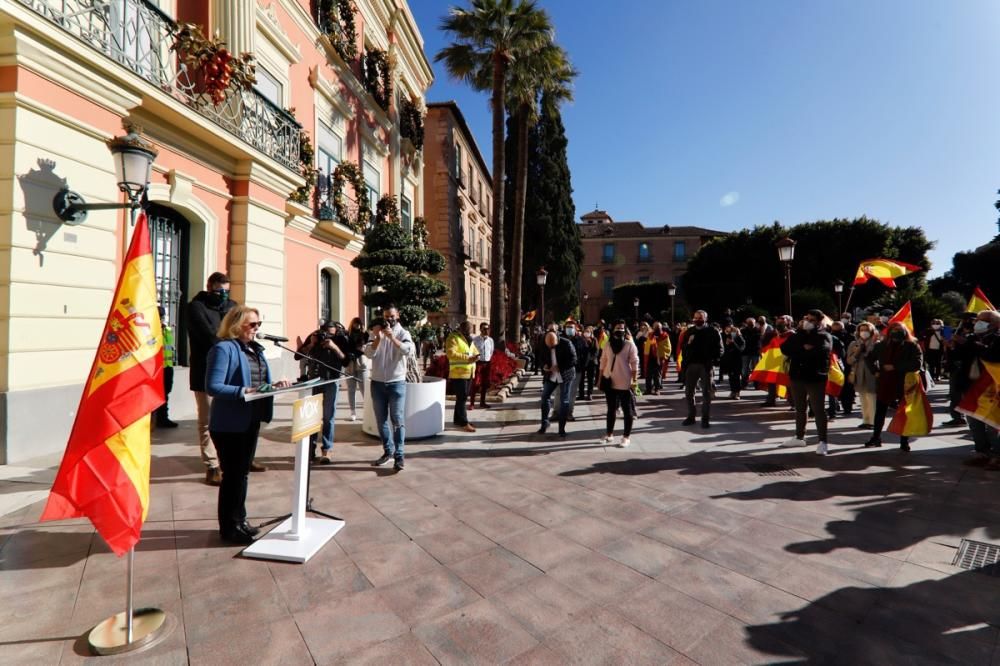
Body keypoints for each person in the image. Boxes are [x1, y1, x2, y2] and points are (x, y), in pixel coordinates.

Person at [205, 305, 290, 544]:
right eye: (252, 324)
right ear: (235, 325)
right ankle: (229, 529)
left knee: (241, 475)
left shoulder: (255, 350)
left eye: (259, 324)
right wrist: (246, 390)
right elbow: (214, 386)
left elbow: (258, 383)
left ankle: (240, 520)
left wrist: (273, 387)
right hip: (229, 424)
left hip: (250, 419)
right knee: (232, 476)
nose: (257, 329)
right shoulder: (223, 349)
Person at [188, 272, 237, 485]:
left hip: (232, 371)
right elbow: (208, 336)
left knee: (233, 418)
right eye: (220, 291)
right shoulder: (196, 307)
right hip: (204, 370)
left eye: (227, 291)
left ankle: (235, 460)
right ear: (210, 287)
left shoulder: (232, 306)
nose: (223, 295)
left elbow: (241, 330)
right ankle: (212, 466)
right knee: (206, 421)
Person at [365, 306, 414, 472]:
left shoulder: (403, 333)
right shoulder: (376, 333)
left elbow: (408, 350)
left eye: (392, 316)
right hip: (377, 384)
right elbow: (368, 354)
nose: (389, 319)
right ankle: (388, 451)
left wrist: (392, 338)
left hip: (396, 383)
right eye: (386, 316)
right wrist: (378, 338)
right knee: (381, 421)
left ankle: (399, 455)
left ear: (397, 316)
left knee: (397, 420)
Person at [780, 309, 833, 455]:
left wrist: (799, 351)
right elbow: (784, 348)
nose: (808, 322)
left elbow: (820, 352)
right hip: (797, 376)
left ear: (819, 321)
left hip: (815, 378)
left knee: (818, 410)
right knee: (800, 408)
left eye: (812, 320)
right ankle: (799, 437)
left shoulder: (824, 336)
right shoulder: (798, 335)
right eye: (807, 319)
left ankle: (823, 442)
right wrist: (803, 347)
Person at [864, 321, 923, 451]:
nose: (896, 332)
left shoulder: (912, 346)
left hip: (904, 383)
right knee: (880, 412)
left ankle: (904, 441)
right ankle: (876, 437)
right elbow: (868, 358)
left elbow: (917, 364)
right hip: (885, 382)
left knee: (904, 412)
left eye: (899, 329)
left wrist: (895, 367)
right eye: (893, 329)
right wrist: (876, 371)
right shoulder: (882, 345)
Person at [296, 321, 348, 464]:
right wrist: (311, 344)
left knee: (328, 417)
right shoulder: (315, 336)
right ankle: (309, 451)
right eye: (327, 333)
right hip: (315, 381)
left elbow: (346, 361)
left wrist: (334, 347)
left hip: (332, 381)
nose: (328, 336)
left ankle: (327, 450)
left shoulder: (340, 339)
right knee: (312, 417)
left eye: (332, 334)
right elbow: (297, 356)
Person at [961, 310, 1000, 468]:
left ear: (995, 324)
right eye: (977, 320)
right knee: (973, 420)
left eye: (982, 320)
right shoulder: (970, 338)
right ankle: (981, 452)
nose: (977, 323)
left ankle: (997, 456)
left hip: (991, 388)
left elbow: (992, 357)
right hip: (971, 386)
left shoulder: (997, 339)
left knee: (992, 423)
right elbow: (960, 357)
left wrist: (981, 347)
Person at [600, 320, 639, 447]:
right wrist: (600, 378)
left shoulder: (629, 345)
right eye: (618, 327)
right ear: (613, 329)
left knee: (627, 411)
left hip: (625, 381)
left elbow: (634, 363)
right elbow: (603, 361)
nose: (620, 330)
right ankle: (609, 434)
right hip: (609, 381)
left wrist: (634, 381)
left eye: (622, 328)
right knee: (611, 409)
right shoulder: (608, 344)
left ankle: (626, 437)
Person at [682, 310, 723, 427]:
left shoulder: (713, 331)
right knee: (689, 392)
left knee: (706, 393)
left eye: (700, 318)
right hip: (691, 365)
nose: (697, 320)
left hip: (706, 366)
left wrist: (713, 360)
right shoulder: (689, 332)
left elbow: (720, 349)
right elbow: (683, 349)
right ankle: (691, 416)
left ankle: (705, 418)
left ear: (705, 319)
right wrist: (688, 344)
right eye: (695, 318)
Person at [538, 329, 577, 437]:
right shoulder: (543, 343)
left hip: (565, 374)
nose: (551, 348)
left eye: (553, 345)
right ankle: (544, 423)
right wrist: (544, 366)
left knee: (564, 400)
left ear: (557, 339)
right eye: (548, 346)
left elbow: (573, 360)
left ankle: (561, 429)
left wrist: (560, 367)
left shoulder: (567, 343)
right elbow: (541, 358)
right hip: (551, 375)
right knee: (545, 396)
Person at [943, 313, 979, 426]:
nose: (965, 321)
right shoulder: (956, 331)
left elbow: (974, 348)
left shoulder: (977, 333)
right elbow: (952, 349)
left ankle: (974, 419)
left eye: (968, 319)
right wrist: (950, 346)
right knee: (955, 394)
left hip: (971, 368)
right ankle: (957, 417)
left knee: (970, 394)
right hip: (956, 367)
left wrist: (961, 341)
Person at [846, 322, 880, 428]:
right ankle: (866, 420)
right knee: (862, 397)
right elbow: (849, 361)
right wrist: (857, 352)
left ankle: (874, 422)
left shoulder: (876, 343)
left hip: (872, 373)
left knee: (872, 397)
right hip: (858, 373)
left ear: (871, 331)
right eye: (861, 330)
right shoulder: (853, 344)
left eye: (866, 330)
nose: (864, 332)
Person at [446, 321, 479, 432]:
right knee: (462, 398)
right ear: (461, 328)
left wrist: (476, 355)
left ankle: (457, 420)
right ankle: (464, 423)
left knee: (461, 398)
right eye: (467, 329)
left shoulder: (469, 339)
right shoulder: (453, 338)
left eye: (470, 329)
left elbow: (473, 350)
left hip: (469, 372)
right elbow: (451, 353)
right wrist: (468, 358)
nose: (469, 331)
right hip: (458, 373)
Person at [154, 305, 178, 428]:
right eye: (158, 316)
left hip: (167, 366)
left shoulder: (167, 330)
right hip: (154, 369)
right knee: (154, 394)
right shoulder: (150, 331)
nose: (161, 319)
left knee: (165, 392)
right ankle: (154, 420)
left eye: (162, 316)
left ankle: (163, 418)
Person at [344, 317, 369, 421]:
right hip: (350, 363)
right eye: (355, 323)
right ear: (352, 324)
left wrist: (362, 349)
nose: (357, 325)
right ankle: (353, 412)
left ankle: (367, 412)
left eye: (359, 323)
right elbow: (345, 347)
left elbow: (366, 348)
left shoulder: (365, 334)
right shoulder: (347, 334)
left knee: (364, 389)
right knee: (351, 389)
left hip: (361, 362)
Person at [470, 322, 493, 410]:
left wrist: (488, 361)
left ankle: (482, 402)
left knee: (484, 384)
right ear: (480, 329)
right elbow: (471, 352)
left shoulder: (490, 340)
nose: (486, 330)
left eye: (488, 329)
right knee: (475, 383)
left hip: (487, 363)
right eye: (484, 329)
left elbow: (491, 352)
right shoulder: (475, 340)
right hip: (478, 363)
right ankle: (472, 403)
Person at [644, 322, 671, 396]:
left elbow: (668, 347)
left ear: (661, 328)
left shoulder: (665, 336)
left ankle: (657, 389)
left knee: (657, 374)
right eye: (655, 327)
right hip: (650, 357)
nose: (657, 329)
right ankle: (648, 389)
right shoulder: (650, 335)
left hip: (659, 357)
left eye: (658, 327)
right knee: (648, 374)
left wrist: (663, 354)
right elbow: (647, 345)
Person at [721, 321, 745, 400]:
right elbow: (723, 348)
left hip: (737, 360)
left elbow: (740, 349)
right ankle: (732, 391)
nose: (729, 329)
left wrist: (733, 342)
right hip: (728, 360)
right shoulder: (725, 336)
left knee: (736, 377)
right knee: (730, 376)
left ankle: (737, 392)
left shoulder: (739, 338)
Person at [920, 319, 946, 383]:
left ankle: (938, 376)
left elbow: (948, 340)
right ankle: (931, 376)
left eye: (938, 323)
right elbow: (921, 337)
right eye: (934, 323)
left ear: (941, 324)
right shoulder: (928, 331)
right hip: (929, 350)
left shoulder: (944, 331)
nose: (935, 325)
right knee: (931, 363)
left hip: (939, 350)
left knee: (938, 363)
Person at [740, 317, 762, 390]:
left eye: (752, 323)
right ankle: (744, 384)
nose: (750, 325)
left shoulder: (758, 330)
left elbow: (758, 339)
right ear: (747, 323)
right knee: (745, 369)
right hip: (746, 352)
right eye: (749, 323)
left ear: (754, 323)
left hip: (755, 352)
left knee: (756, 369)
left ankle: (757, 384)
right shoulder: (743, 331)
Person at [578, 325, 598, 402]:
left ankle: (590, 394)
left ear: (591, 332)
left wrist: (591, 358)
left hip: (591, 362)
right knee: (581, 379)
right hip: (582, 362)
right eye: (585, 331)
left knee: (590, 379)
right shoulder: (580, 340)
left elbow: (596, 351)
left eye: (588, 332)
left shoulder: (594, 340)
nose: (586, 333)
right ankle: (581, 395)